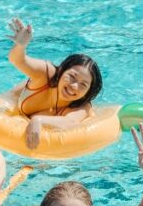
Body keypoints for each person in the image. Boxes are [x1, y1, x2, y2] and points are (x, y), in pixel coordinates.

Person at [6, 17, 104, 150]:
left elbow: (70, 123)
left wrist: (38, 120)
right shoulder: (47, 73)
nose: (74, 86)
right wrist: (21, 46)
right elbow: (18, 60)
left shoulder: (82, 106)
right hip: (11, 104)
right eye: (72, 76)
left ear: (88, 92)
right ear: (61, 71)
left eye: (83, 85)